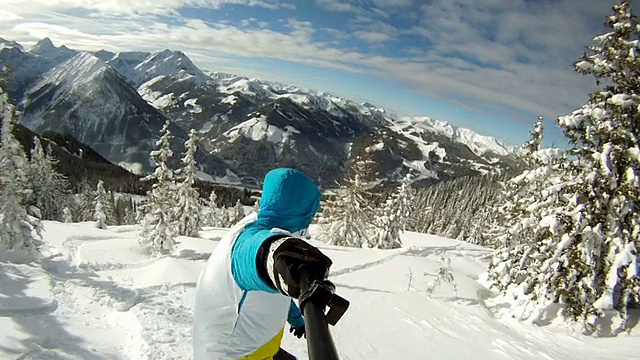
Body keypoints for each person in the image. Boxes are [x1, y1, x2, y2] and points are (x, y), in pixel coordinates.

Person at [193, 168, 333, 359]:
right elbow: (256, 256)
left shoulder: (256, 225)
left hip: (261, 349)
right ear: (301, 213)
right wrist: (283, 254)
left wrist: (297, 320)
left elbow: (274, 289)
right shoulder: (244, 242)